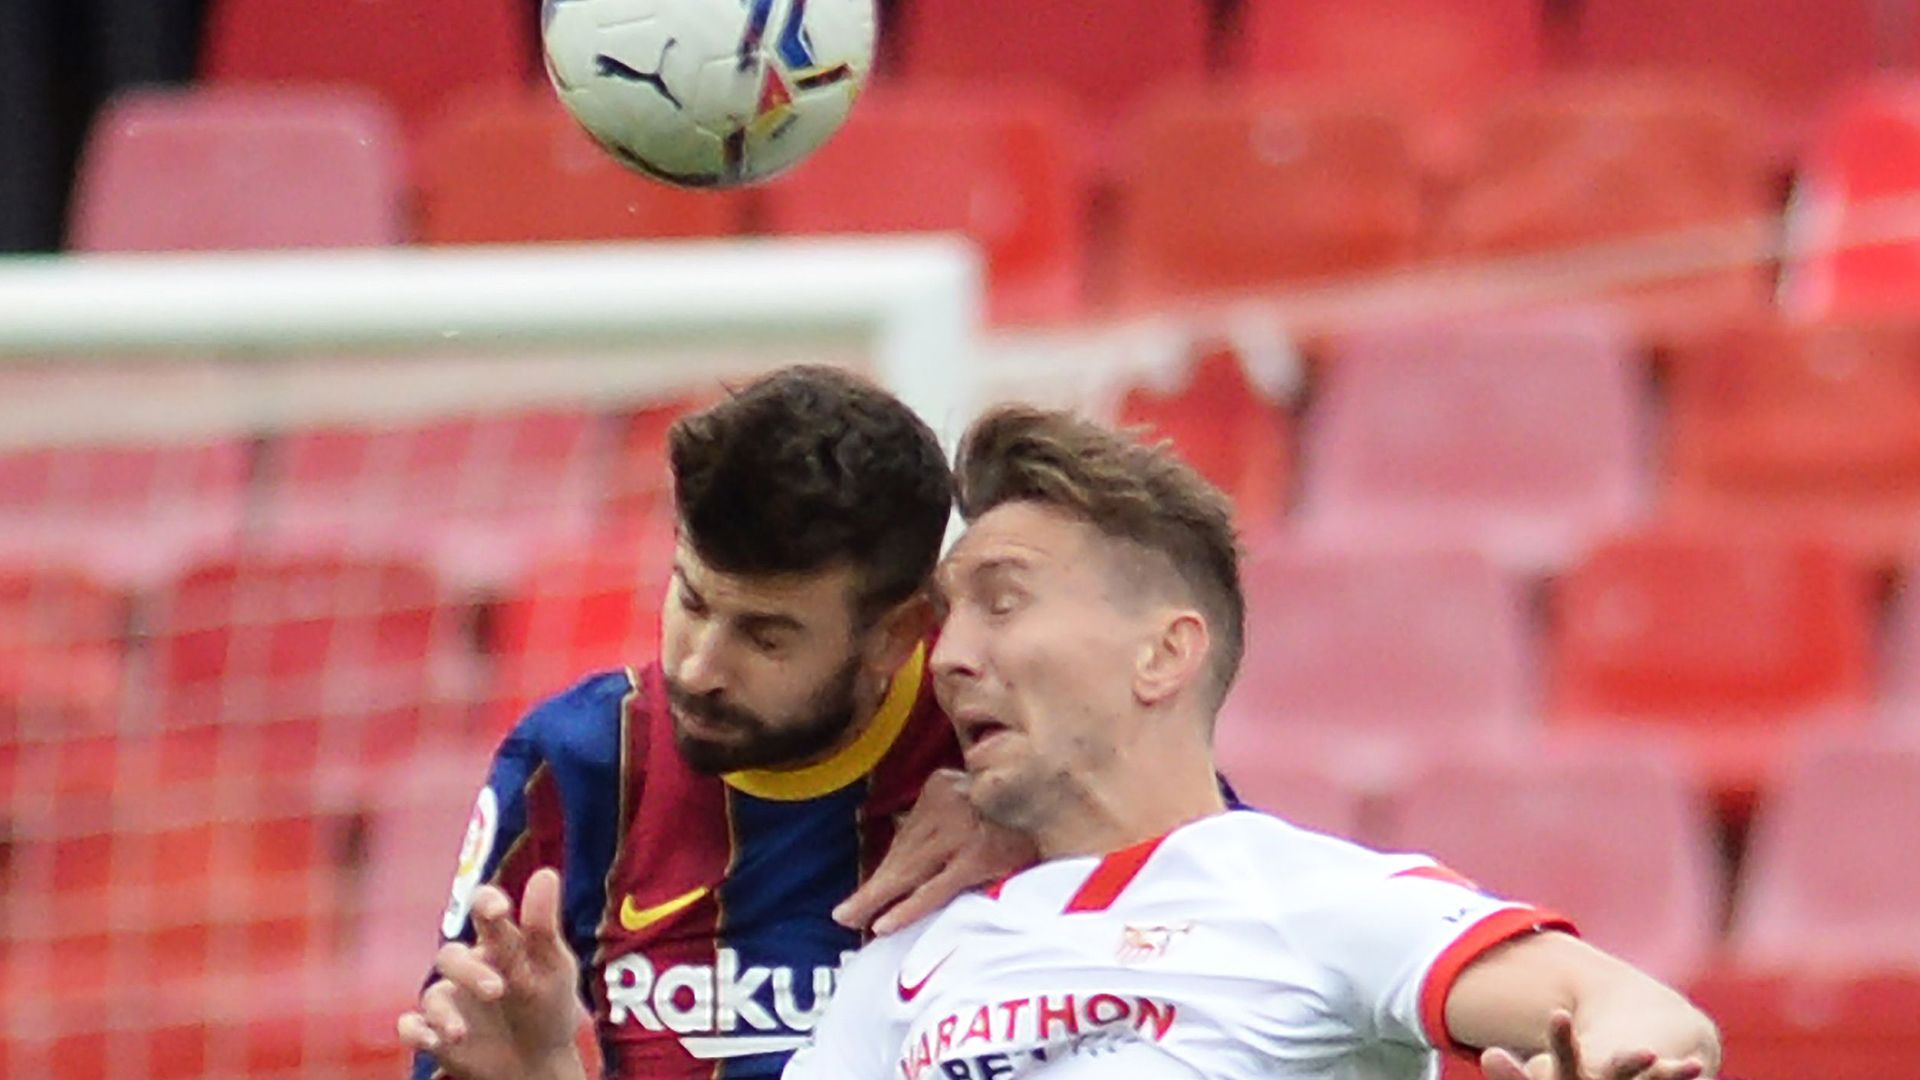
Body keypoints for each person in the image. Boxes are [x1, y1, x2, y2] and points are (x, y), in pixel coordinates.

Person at [407, 405, 1722, 1080]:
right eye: (948, 612)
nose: (956, 651)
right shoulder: (901, 970)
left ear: (1166, 652)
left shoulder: (1305, 899)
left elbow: (1633, 1012)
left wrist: (1608, 1062)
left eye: (1005, 601)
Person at [400, 365, 1032, 1080]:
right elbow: (480, 1047)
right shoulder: (578, 765)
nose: (698, 668)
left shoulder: (997, 738)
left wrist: (1038, 818)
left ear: (895, 635)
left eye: (766, 637)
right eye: (692, 601)